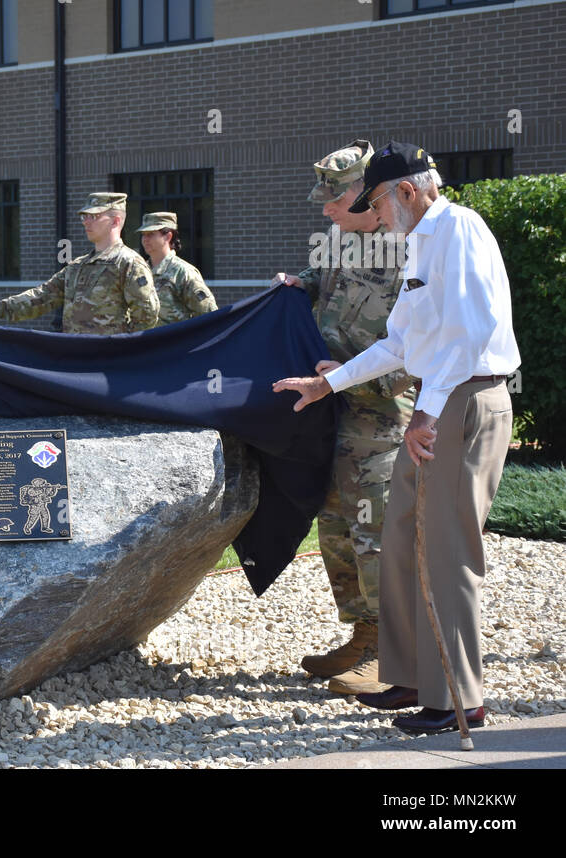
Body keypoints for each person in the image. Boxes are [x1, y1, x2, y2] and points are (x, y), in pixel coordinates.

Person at [274, 142, 520, 735]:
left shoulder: (458, 230)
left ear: (407, 190)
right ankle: (412, 677)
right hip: (442, 398)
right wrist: (326, 385)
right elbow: (399, 345)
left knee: (446, 552)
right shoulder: (419, 242)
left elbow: (466, 333)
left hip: (464, 399)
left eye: (378, 203)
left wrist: (426, 415)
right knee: (402, 539)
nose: (375, 216)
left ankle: (460, 700)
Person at [271, 140, 415, 695]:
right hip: (333, 416)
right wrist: (296, 287)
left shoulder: (407, 252)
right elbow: (320, 284)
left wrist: (352, 375)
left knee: (376, 535)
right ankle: (363, 633)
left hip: (381, 421)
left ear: (366, 193)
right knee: (335, 528)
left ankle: (393, 654)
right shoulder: (339, 242)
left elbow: (417, 352)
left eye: (335, 199)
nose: (325, 209)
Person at [0, 192, 158, 334]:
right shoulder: (77, 266)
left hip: (110, 364)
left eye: (93, 216)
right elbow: (43, 296)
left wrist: (121, 350)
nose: (86, 222)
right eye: (84, 216)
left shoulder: (129, 264)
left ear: (115, 221)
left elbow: (147, 317)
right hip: (75, 359)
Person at [136, 212, 216, 326]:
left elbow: (209, 314)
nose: (145, 239)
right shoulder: (140, 270)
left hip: (175, 341)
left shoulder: (183, 272)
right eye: (143, 234)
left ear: (168, 236)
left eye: (151, 234)